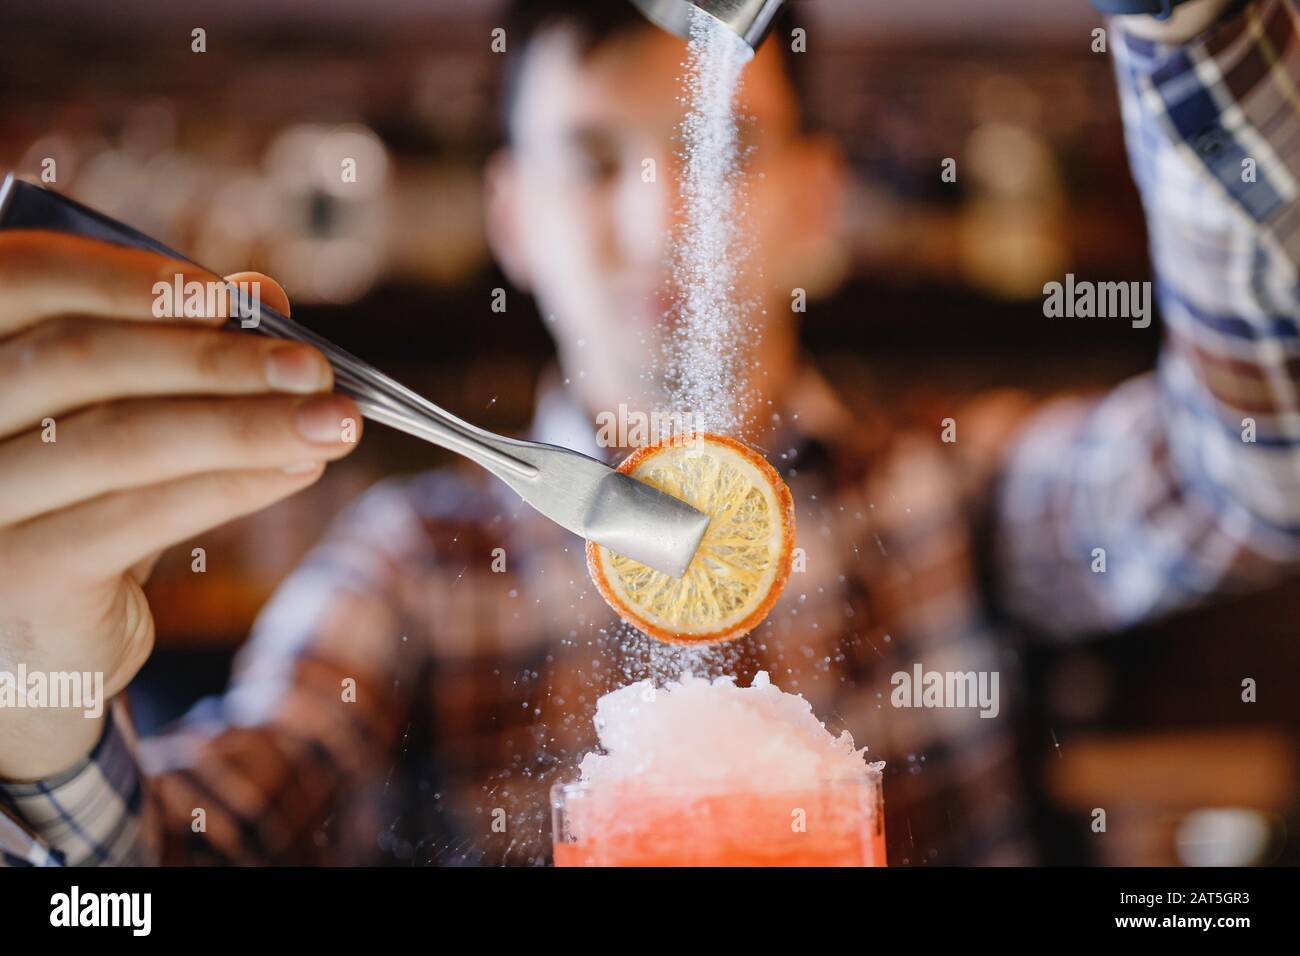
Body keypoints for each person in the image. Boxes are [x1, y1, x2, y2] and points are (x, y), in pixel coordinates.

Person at [0, 0, 1289, 866]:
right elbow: (162, 865)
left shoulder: (958, 489)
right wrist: (36, 705)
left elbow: (1255, 464)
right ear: (513, 217)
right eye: (594, 158)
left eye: (719, 147)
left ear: (819, 201)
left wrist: (1191, 29)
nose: (665, 213)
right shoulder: (415, 563)